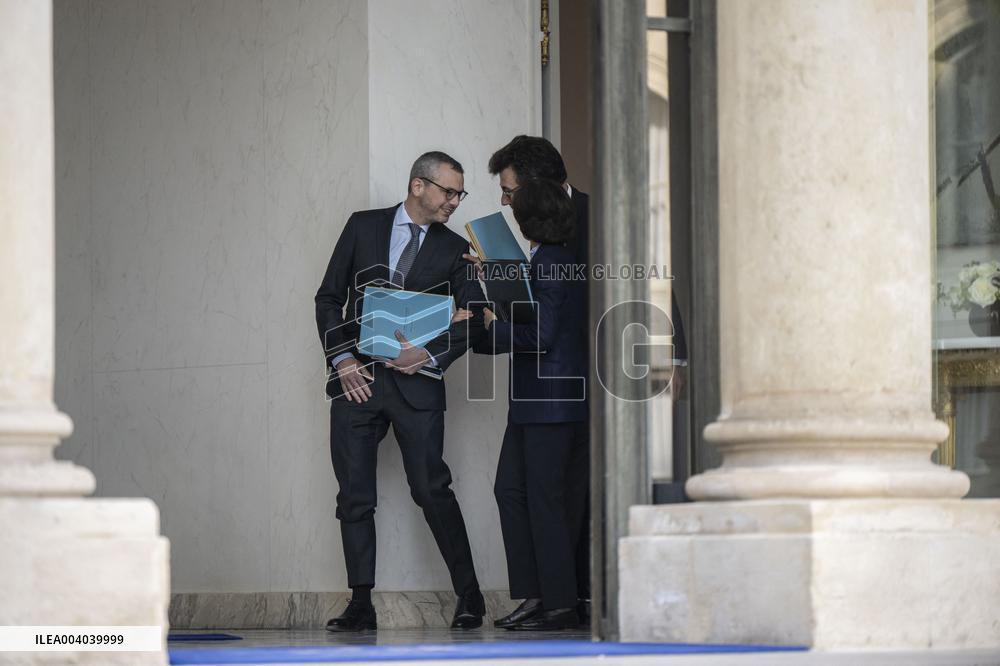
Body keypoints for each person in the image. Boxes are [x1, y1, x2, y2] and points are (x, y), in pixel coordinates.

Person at [315, 151, 487, 632]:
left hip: (418, 387)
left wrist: (428, 355)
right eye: (448, 191)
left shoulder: (457, 250)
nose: (455, 201)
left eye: (459, 193)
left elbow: (472, 318)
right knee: (354, 496)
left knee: (432, 490)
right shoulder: (362, 226)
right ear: (418, 186)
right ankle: (360, 604)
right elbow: (328, 297)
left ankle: (471, 597)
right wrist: (343, 359)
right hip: (358, 383)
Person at [472, 135, 593, 623]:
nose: (505, 203)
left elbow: (543, 328)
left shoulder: (558, 251)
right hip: (540, 395)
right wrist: (499, 282)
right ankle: (542, 595)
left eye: (509, 193)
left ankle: (562, 600)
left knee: (548, 498)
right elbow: (540, 308)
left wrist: (487, 324)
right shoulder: (546, 255)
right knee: (516, 491)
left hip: (559, 392)